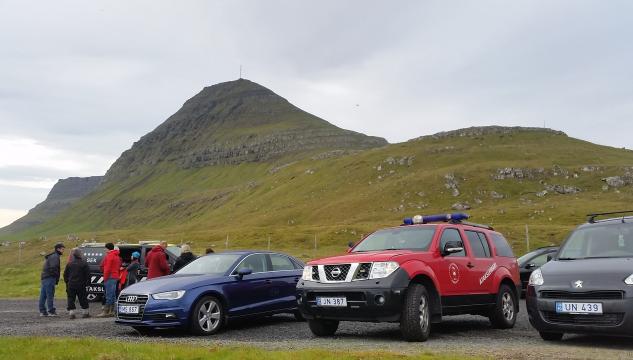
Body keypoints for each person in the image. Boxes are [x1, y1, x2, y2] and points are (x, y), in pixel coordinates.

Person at [63, 248, 91, 319]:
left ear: (74, 255)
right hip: (81, 284)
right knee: (83, 298)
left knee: (70, 298)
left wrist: (67, 282)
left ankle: (72, 313)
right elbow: (88, 275)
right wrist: (88, 284)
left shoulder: (69, 264)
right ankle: (85, 313)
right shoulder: (84, 263)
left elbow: (65, 274)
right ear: (80, 255)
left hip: (71, 284)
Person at [39, 243, 65, 317]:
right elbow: (53, 268)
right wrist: (56, 276)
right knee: (50, 294)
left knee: (43, 295)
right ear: (58, 249)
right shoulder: (55, 256)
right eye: (62, 249)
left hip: (45, 277)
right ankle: (51, 311)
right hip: (50, 278)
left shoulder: (52, 256)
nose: (63, 251)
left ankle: (43, 311)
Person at [97, 243, 121, 317]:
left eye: (105, 248)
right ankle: (112, 311)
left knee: (108, 294)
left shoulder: (109, 256)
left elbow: (107, 269)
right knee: (113, 294)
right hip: (115, 276)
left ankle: (106, 312)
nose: (104, 250)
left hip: (109, 277)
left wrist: (105, 277)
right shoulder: (117, 256)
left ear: (107, 248)